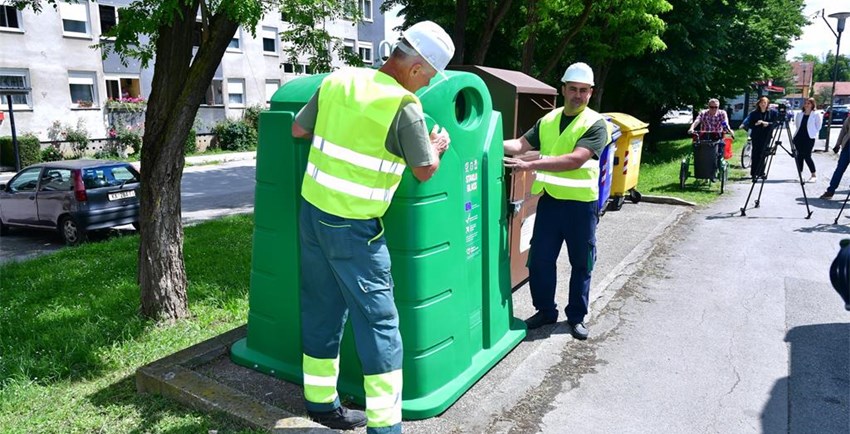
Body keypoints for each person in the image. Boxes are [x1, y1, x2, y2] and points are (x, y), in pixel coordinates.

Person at [290, 20, 454, 433]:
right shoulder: (404, 107)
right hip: (354, 231)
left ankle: (320, 403)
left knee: (321, 308)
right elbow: (423, 171)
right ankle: (385, 427)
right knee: (379, 324)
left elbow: (297, 128)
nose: (427, 84)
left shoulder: (338, 80)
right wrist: (436, 148)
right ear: (416, 67)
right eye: (430, 76)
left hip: (312, 215)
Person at [503, 62, 611, 341]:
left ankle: (576, 317)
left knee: (582, 263)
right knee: (539, 260)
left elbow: (575, 159)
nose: (577, 95)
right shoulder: (548, 120)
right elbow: (518, 145)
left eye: (583, 91)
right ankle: (545, 311)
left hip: (580, 206)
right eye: (573, 89)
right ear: (563, 89)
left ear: (591, 93)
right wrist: (482, 137)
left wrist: (531, 163)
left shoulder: (595, 123)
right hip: (550, 203)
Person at [740, 97, 778, 179]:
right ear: (759, 104)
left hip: (766, 135)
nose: (763, 104)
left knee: (763, 153)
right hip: (756, 135)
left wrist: (767, 123)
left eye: (765, 102)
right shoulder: (754, 113)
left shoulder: (772, 113)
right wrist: (755, 124)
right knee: (755, 153)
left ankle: (761, 172)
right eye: (761, 102)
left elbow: (776, 123)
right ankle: (753, 173)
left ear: (767, 104)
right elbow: (749, 124)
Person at [819, 115, 850, 198]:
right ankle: (830, 191)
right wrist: (838, 144)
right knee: (839, 169)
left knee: (839, 170)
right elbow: (843, 130)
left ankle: (830, 191)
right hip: (847, 147)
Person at [792, 98, 822, 183]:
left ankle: (813, 174)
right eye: (805, 103)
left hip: (809, 137)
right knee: (799, 156)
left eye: (809, 103)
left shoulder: (816, 114)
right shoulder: (799, 114)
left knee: (807, 156)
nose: (807, 105)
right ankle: (800, 174)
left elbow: (818, 126)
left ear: (812, 105)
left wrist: (813, 133)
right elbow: (797, 125)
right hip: (799, 137)